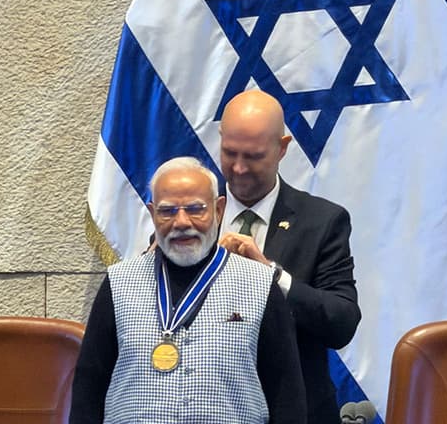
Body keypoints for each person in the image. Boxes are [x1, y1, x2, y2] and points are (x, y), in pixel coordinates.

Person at [70, 156, 305, 424]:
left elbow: (286, 395)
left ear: (219, 210)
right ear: (152, 214)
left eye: (195, 209)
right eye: (167, 211)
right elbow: (89, 388)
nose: (181, 222)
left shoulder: (260, 284)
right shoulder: (118, 283)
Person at [217, 90, 362, 424]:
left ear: (282, 148)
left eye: (253, 156)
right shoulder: (192, 219)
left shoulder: (322, 221)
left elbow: (342, 322)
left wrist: (273, 277)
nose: (238, 168)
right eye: (229, 153)